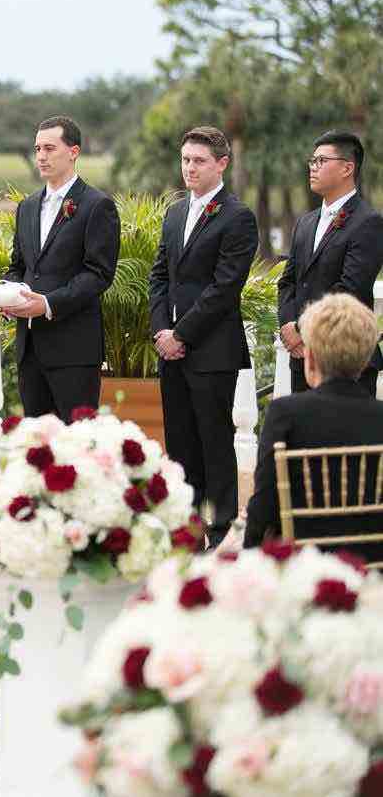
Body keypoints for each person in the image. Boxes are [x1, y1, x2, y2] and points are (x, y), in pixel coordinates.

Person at [148, 126, 257, 550]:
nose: (189, 168)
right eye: (186, 160)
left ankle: (223, 525)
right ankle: (187, 526)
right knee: (180, 441)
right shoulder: (176, 213)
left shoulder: (237, 216)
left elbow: (225, 289)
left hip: (211, 350)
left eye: (199, 161)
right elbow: (159, 276)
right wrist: (161, 331)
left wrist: (182, 334)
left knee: (214, 440)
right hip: (170, 348)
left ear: (222, 164)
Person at [241, 294, 383, 563]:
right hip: (374, 570)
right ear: (365, 361)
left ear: (311, 358)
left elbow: (264, 509)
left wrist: (249, 562)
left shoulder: (284, 415)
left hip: (303, 568)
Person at [4, 116, 120, 420]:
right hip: (29, 349)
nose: (41, 156)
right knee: (37, 448)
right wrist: (9, 293)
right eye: (38, 148)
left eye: (50, 148)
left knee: (77, 446)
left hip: (74, 351)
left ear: (74, 152)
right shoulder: (27, 207)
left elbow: (99, 274)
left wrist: (48, 304)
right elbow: (18, 266)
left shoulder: (97, 206)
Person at [277, 130, 383, 396]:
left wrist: (303, 328)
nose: (313, 168)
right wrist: (289, 327)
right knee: (302, 438)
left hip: (346, 360)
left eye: (321, 161)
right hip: (301, 357)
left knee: (345, 438)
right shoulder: (305, 222)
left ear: (348, 167)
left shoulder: (368, 222)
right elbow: (288, 281)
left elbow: (351, 288)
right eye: (312, 162)